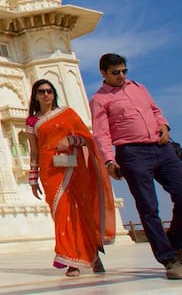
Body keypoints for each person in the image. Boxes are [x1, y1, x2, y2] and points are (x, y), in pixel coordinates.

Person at [89, 53, 182, 280]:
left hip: (162, 147)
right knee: (148, 207)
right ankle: (169, 259)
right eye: (116, 72)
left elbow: (156, 111)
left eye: (124, 71)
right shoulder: (100, 99)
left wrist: (164, 126)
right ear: (103, 73)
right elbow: (101, 133)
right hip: (133, 153)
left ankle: (176, 243)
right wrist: (109, 160)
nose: (121, 76)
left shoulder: (139, 87)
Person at [25, 79, 116, 277]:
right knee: (61, 214)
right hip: (49, 171)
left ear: (54, 94)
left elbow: (87, 138)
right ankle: (71, 258)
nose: (46, 95)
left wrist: (70, 139)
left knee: (80, 211)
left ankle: (90, 255)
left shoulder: (67, 113)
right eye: (41, 92)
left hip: (72, 167)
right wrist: (33, 178)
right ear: (35, 96)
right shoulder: (32, 121)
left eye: (49, 91)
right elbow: (34, 151)